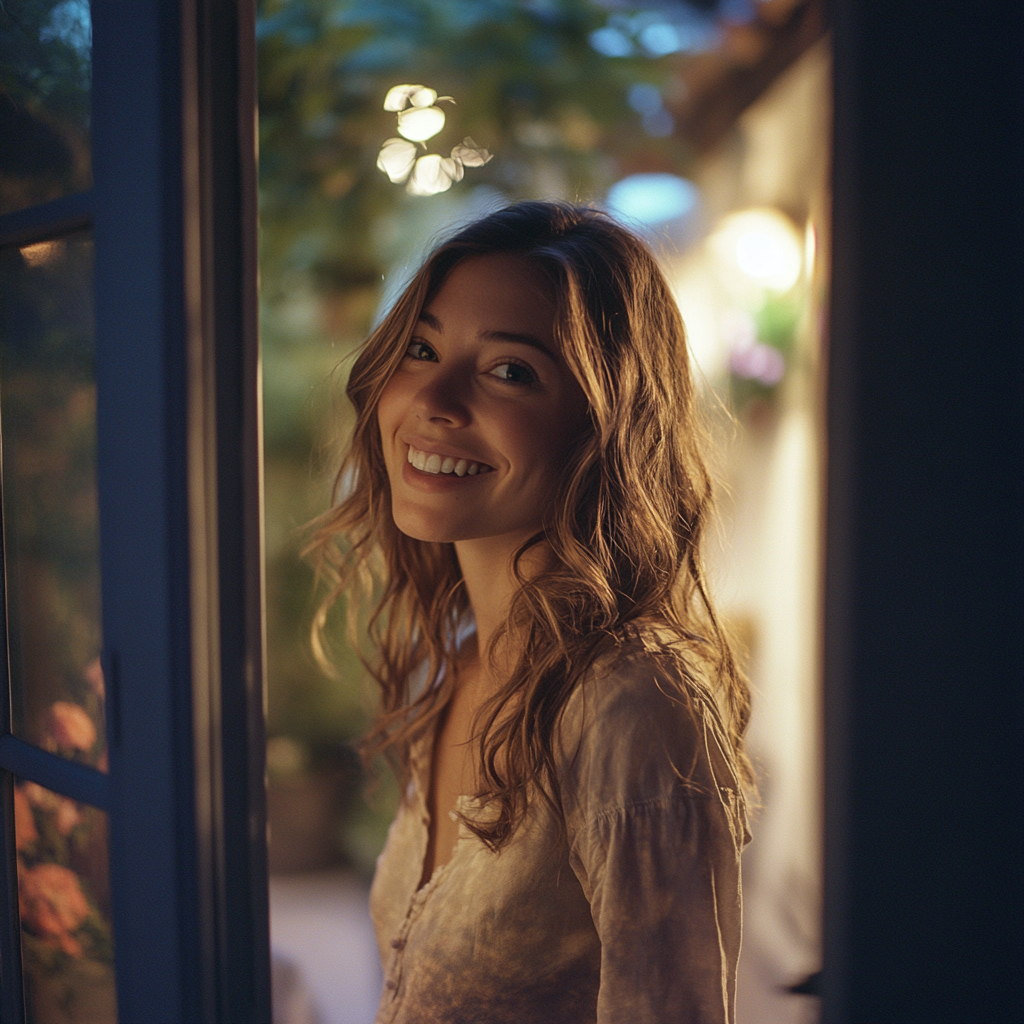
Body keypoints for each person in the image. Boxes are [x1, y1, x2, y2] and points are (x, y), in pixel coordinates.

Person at [307, 201, 752, 1024]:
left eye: (510, 370)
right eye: (421, 348)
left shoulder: (633, 704)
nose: (433, 397)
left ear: (603, 427)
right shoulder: (466, 662)